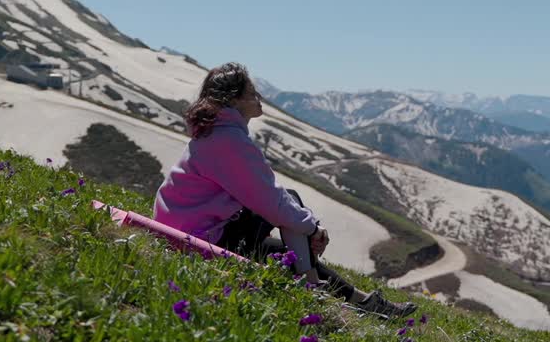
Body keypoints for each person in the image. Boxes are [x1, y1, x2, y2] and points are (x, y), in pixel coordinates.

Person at [154, 62, 416, 319]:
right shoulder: (229, 140)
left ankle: (362, 302)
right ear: (234, 100)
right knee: (290, 202)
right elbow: (271, 202)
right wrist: (311, 228)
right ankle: (311, 284)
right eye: (252, 93)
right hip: (199, 239)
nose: (259, 98)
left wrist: (304, 228)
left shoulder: (216, 132)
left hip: (189, 231)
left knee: (285, 252)